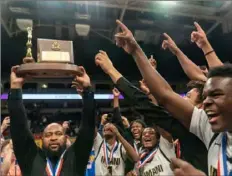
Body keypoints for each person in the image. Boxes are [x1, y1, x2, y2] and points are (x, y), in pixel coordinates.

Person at [113, 20, 232, 175]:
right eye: (205, 96)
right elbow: (165, 95)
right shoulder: (210, 129)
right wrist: (135, 50)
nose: (207, 101)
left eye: (216, 95)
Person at [95, 49, 208, 173]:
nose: (183, 99)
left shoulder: (203, 132)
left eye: (188, 96)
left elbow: (150, 105)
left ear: (201, 106)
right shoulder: (185, 132)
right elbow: (154, 111)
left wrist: (111, 70)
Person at [8, 65, 96, 176]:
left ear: (65, 137)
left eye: (58, 134)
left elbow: (88, 127)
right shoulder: (31, 158)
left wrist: (87, 91)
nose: (53, 138)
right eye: (48, 135)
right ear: (41, 139)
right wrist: (15, 88)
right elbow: (19, 128)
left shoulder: (76, 156)